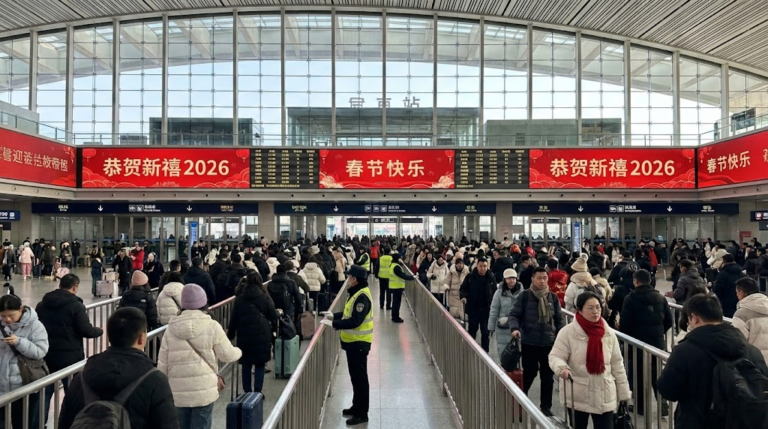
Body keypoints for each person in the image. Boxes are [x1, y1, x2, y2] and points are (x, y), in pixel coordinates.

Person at [657, 294, 768, 429]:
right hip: (740, 422)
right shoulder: (751, 350)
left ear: (694, 318)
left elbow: (668, 390)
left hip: (696, 422)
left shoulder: (684, 351)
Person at [58, 307, 179, 429]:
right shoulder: (155, 380)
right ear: (142, 338)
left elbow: (64, 423)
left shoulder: (81, 378)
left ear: (109, 337)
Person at [159, 284, 242, 429]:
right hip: (204, 389)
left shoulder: (171, 329)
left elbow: (162, 363)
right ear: (203, 302)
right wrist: (239, 351)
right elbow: (227, 355)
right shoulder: (212, 325)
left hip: (178, 390)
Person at [549, 292, 632, 429]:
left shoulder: (608, 333)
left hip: (605, 393)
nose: (595, 311)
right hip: (578, 394)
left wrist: (623, 393)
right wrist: (561, 367)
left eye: (598, 307)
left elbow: (617, 364)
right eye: (590, 308)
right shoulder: (568, 332)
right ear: (579, 310)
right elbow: (555, 356)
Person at [36, 273, 104, 421]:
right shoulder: (76, 306)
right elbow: (86, 330)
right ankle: (73, 422)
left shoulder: (42, 304)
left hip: (46, 355)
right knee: (74, 393)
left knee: (46, 393)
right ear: (75, 287)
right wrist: (99, 331)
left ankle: (40, 423)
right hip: (70, 357)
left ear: (60, 285)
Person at [320, 265, 373, 426]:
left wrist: (334, 324)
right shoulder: (356, 293)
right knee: (355, 378)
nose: (348, 279)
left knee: (360, 379)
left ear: (355, 279)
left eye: (350, 277)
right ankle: (356, 406)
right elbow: (347, 313)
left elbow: (355, 321)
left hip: (359, 344)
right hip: (352, 344)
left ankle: (362, 413)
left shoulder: (362, 297)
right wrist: (333, 316)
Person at [508, 267, 564, 416]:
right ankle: (520, 404)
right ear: (532, 279)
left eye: (545, 278)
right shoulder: (524, 296)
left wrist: (560, 335)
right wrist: (514, 328)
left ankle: (546, 408)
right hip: (530, 342)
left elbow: (559, 319)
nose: (542, 281)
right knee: (529, 374)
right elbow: (514, 314)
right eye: (539, 278)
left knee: (548, 377)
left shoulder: (552, 297)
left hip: (548, 343)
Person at [618, 269, 673, 415]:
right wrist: (658, 333)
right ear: (650, 281)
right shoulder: (660, 298)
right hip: (657, 343)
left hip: (636, 344)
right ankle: (662, 403)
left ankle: (640, 406)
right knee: (657, 374)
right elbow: (669, 320)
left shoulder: (630, 299)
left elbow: (625, 324)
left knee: (637, 376)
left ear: (636, 281)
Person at [0, 292, 49, 428]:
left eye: (11, 315)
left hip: (23, 386)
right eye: (3, 316)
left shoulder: (35, 326)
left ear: (21, 309)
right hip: (1, 386)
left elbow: (41, 351)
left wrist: (19, 342)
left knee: (22, 422)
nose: (7, 319)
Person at [228, 271, 278, 394]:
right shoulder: (265, 297)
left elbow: (234, 319)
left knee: (246, 364)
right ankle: (257, 392)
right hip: (262, 333)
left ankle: (247, 392)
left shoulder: (239, 299)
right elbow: (273, 315)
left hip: (244, 334)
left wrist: (230, 335)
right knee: (260, 364)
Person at [459, 257, 497, 352]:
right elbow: (463, 288)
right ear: (477, 265)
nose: (483, 268)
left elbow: (495, 291)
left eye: (485, 266)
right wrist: (463, 297)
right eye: (481, 266)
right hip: (473, 309)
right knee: (472, 331)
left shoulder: (491, 277)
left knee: (485, 332)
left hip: (486, 310)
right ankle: (470, 350)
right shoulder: (470, 276)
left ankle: (485, 353)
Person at [488, 268, 522, 359]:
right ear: (505, 279)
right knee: (504, 353)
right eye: (509, 278)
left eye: (514, 278)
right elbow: (494, 310)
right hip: (503, 327)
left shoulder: (522, 293)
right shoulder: (499, 293)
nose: (512, 280)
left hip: (518, 327)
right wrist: (491, 327)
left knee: (518, 354)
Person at [733, 277, 768, 363]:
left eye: (737, 292)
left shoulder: (741, 315)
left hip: (755, 363)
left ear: (741, 292)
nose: (737, 295)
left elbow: (738, 343)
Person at [712, 254, 744, 318]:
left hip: (725, 301)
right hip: (739, 299)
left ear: (724, 261)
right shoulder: (741, 272)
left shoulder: (722, 274)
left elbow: (717, 288)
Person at [389, 253, 415, 323]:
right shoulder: (396, 267)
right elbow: (403, 275)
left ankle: (394, 316)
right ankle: (396, 317)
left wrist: (402, 263)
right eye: (400, 258)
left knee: (395, 303)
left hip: (394, 287)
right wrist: (412, 277)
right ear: (398, 259)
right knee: (396, 303)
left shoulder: (393, 265)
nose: (401, 259)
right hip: (397, 287)